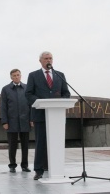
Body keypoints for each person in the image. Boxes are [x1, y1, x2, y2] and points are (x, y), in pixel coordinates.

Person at [25, 51, 71, 180]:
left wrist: (61, 101)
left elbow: (66, 93)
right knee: (41, 142)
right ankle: (39, 170)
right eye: (46, 58)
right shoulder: (33, 75)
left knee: (56, 143)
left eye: (50, 58)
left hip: (57, 116)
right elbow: (28, 94)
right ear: (40, 61)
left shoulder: (59, 75)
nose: (48, 60)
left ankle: (56, 169)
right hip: (40, 114)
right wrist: (39, 102)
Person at [0, 69, 32, 173]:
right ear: (11, 77)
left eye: (18, 75)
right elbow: (3, 106)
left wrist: (32, 119)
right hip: (11, 121)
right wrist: (4, 121)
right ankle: (12, 165)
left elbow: (31, 105)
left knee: (25, 145)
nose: (16, 77)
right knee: (12, 145)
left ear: (21, 76)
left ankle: (24, 165)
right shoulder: (5, 89)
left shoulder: (27, 88)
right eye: (14, 75)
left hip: (25, 121)